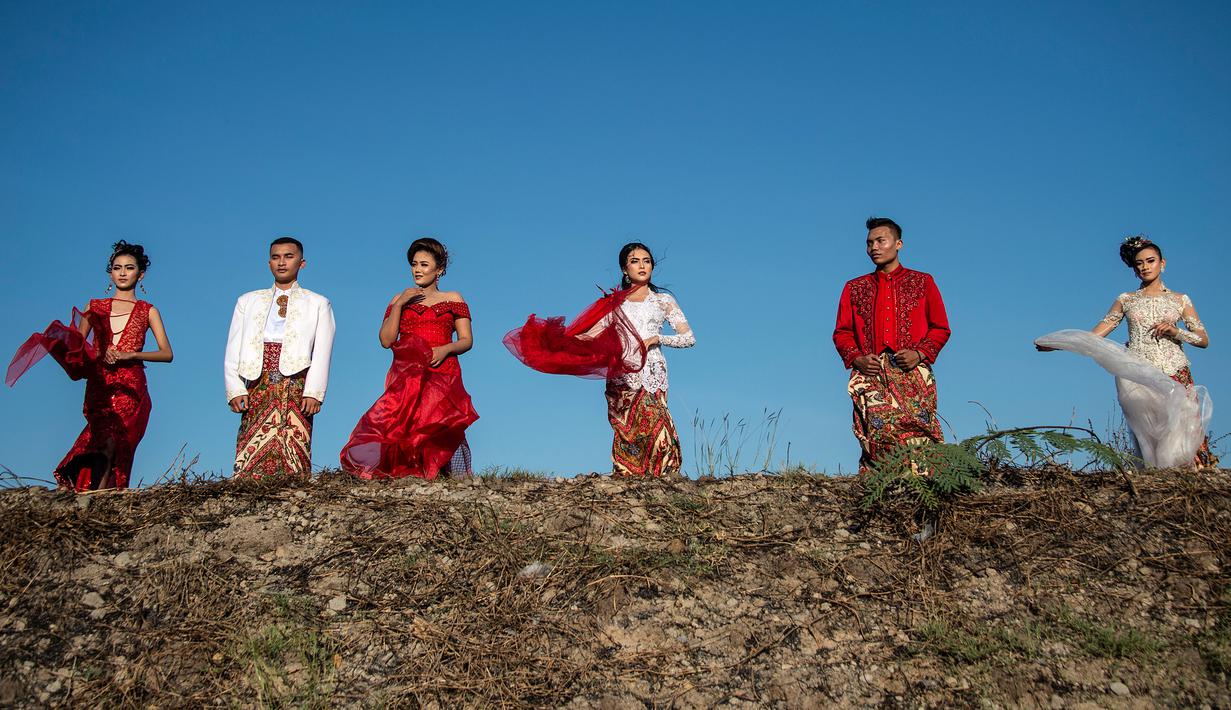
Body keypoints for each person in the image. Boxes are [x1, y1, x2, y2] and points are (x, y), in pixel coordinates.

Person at [505, 242, 694, 477]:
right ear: (625, 269)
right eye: (635, 261)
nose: (642, 266)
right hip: (622, 372)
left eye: (646, 261)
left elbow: (688, 338)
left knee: (657, 420)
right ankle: (629, 478)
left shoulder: (663, 301)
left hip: (653, 370)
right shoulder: (615, 304)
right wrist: (559, 340)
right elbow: (592, 334)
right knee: (627, 426)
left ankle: (666, 476)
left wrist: (656, 339)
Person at [1036, 235, 1216, 469]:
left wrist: (1175, 332)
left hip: (1175, 371)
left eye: (1150, 261)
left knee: (1183, 429)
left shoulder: (1180, 300)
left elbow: (1203, 340)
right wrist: (1061, 344)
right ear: (1134, 269)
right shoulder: (1126, 300)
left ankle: (1195, 483)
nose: (1144, 267)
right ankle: (1155, 480)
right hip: (1139, 374)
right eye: (1139, 263)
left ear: (1162, 263)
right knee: (1149, 433)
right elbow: (1096, 335)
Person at [7, 241, 173, 490]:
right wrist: (97, 353)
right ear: (110, 273)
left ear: (141, 274)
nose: (123, 272)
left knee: (113, 442)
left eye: (129, 267)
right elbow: (77, 346)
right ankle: (86, 491)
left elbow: (166, 353)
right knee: (99, 438)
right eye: (117, 268)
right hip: (101, 385)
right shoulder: (94, 306)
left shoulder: (148, 311)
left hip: (131, 386)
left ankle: (99, 497)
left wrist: (129, 355)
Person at [340, 238, 479, 479]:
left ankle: (438, 476)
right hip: (407, 373)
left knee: (437, 422)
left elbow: (467, 340)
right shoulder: (399, 299)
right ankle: (407, 475)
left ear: (440, 269)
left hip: (442, 370)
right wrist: (400, 304)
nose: (417, 269)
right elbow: (386, 340)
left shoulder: (453, 298)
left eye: (424, 264)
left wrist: (445, 349)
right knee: (402, 422)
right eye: (414, 264)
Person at [833, 217, 951, 474]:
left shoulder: (923, 282)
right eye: (869, 243)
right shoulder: (854, 288)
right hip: (870, 374)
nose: (873, 247)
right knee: (876, 436)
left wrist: (919, 354)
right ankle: (880, 492)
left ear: (898, 244)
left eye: (880, 241)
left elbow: (941, 328)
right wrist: (858, 359)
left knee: (920, 434)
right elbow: (842, 333)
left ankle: (926, 492)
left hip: (912, 373)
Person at [224, 237, 335, 477]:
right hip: (257, 378)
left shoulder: (318, 303)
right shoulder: (247, 301)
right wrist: (234, 387)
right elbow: (233, 346)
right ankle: (247, 487)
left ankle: (295, 490)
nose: (282, 263)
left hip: (297, 380)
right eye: (276, 257)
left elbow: (323, 351)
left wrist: (314, 392)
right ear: (269, 263)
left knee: (294, 439)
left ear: (301, 263)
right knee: (252, 436)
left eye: (288, 256)